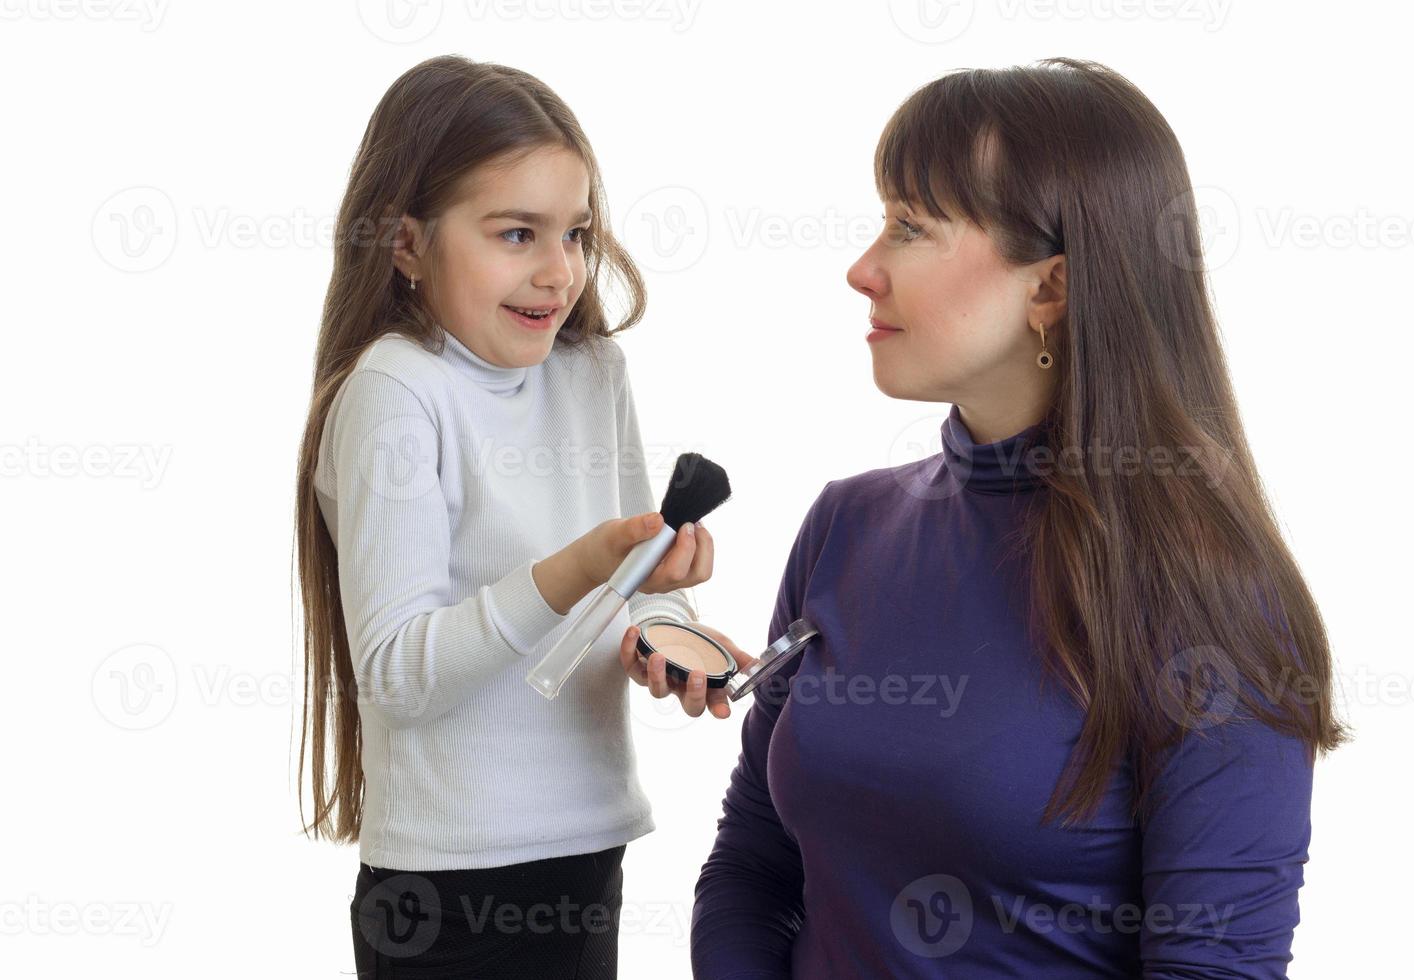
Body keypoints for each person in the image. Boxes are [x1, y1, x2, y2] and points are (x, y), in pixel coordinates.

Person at [689, 58, 1347, 979]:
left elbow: (1215, 969)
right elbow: (753, 865)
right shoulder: (846, 527)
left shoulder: (1209, 601)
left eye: (911, 228)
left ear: (1050, 289)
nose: (862, 269)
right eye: (883, 220)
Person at [292, 55, 750, 979]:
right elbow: (397, 675)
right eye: (515, 234)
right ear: (407, 244)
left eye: (576, 232)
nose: (560, 271)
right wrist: (579, 569)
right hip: (444, 892)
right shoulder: (396, 392)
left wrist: (665, 629)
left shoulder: (590, 375)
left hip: (586, 853)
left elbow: (626, 585)